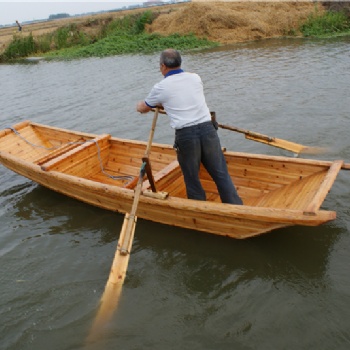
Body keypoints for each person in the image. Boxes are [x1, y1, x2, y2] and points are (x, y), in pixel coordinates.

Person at [136, 48, 243, 205]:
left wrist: (142, 105)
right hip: (208, 130)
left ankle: (198, 211)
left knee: (192, 177)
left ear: (162, 66)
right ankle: (235, 207)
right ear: (180, 63)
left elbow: (143, 108)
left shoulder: (161, 87)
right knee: (221, 174)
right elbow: (184, 98)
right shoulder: (195, 78)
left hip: (187, 136)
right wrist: (165, 103)